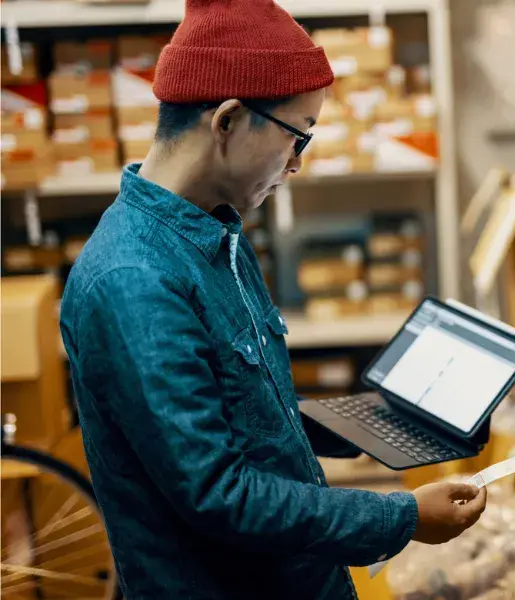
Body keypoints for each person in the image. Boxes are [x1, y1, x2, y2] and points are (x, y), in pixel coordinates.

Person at [59, 0, 487, 598]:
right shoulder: (135, 280)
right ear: (228, 120)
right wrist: (403, 518)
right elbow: (220, 493)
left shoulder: (213, 231)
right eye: (296, 138)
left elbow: (247, 410)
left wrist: (383, 421)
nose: (296, 165)